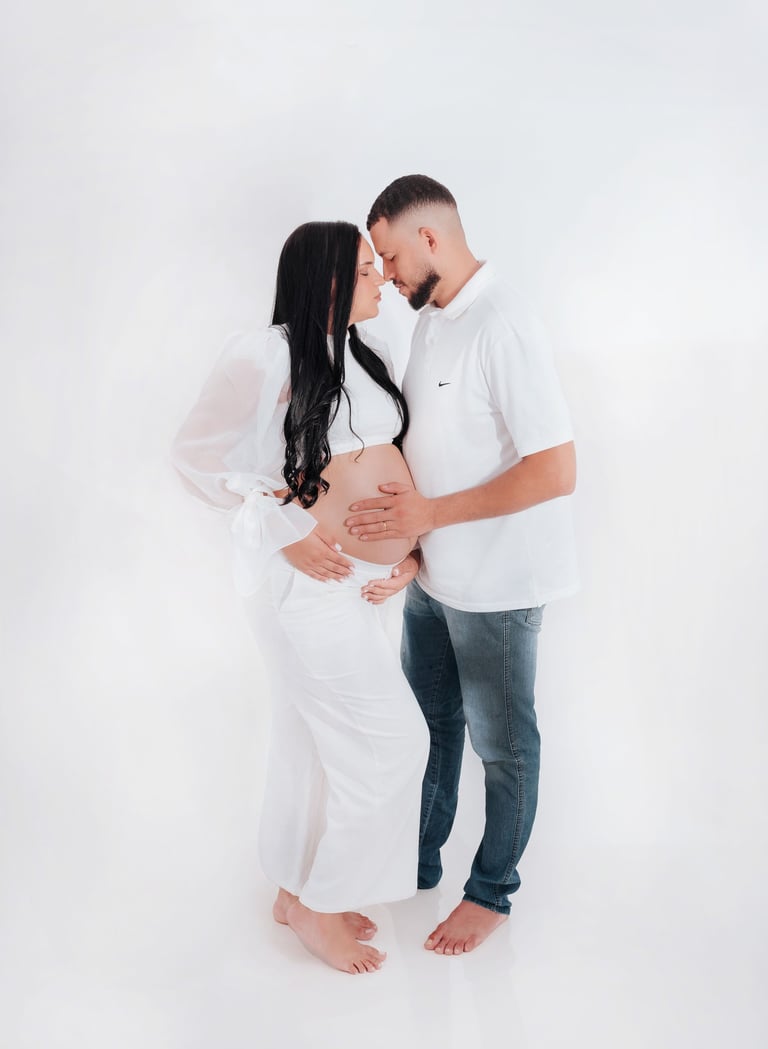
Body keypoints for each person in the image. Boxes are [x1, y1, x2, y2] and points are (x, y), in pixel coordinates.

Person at [172, 221, 430, 974]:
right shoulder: (265, 353)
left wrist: (408, 553)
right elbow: (194, 457)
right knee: (394, 742)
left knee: (315, 743)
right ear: (328, 281)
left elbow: (389, 459)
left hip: (362, 585)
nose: (381, 280)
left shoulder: (367, 351)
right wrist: (284, 527)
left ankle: (296, 891)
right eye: (366, 270)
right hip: (306, 582)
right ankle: (321, 904)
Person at [345, 175, 579, 955]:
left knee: (502, 748)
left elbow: (555, 469)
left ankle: (491, 893)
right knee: (427, 730)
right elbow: (436, 448)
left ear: (431, 237)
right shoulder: (432, 322)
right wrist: (414, 547)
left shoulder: (504, 322)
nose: (387, 275)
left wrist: (428, 519)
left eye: (390, 256)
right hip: (434, 579)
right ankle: (413, 864)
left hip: (499, 587)